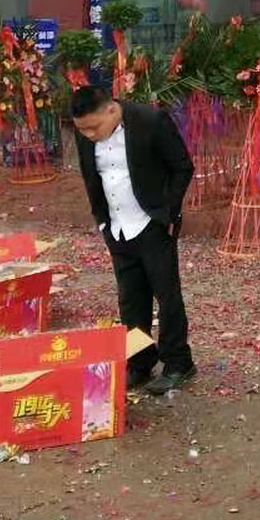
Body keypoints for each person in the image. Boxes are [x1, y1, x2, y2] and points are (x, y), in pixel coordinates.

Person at [71, 85, 196, 394]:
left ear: (111, 110)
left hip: (152, 224)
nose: (89, 135)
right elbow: (91, 178)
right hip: (117, 228)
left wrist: (168, 212)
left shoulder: (151, 121)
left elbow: (182, 166)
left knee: (167, 296)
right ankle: (140, 362)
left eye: (93, 127)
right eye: (83, 130)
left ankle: (178, 362)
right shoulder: (85, 134)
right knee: (130, 300)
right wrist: (103, 222)